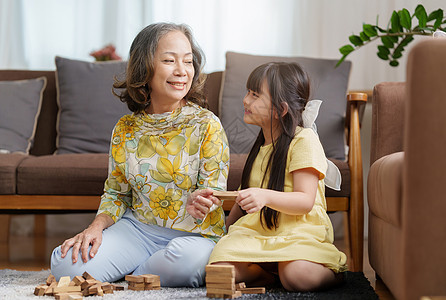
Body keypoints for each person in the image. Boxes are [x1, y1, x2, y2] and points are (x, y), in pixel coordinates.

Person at [51, 22, 230, 287]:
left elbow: (214, 192)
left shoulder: (207, 125)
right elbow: (117, 194)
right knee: (64, 264)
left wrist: (202, 202)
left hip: (194, 236)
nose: (182, 71)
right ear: (145, 68)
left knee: (187, 264)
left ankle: (131, 271)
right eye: (169, 60)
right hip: (137, 231)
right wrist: (95, 228)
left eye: (188, 61)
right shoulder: (125, 128)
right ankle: (145, 272)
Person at [206, 62, 347, 292]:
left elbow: (305, 201)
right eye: (247, 92)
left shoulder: (303, 140)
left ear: (280, 110)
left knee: (297, 276)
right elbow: (242, 203)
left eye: (254, 95)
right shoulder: (260, 146)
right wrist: (222, 234)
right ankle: (268, 274)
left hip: (296, 233)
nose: (245, 100)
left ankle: (333, 272)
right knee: (220, 271)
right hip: (259, 231)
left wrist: (265, 196)